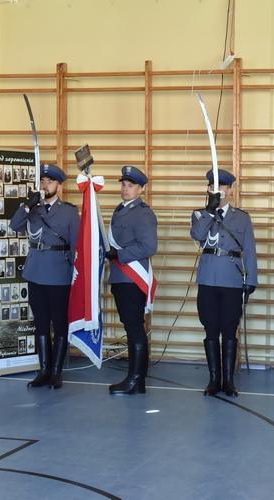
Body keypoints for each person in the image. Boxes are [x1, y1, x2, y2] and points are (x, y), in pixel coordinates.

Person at [10, 164, 79, 390]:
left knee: (59, 324)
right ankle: (43, 371)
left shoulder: (69, 212)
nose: (45, 185)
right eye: (43, 181)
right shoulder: (33, 209)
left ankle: (56, 373)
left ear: (59, 186)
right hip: (35, 272)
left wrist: (75, 274)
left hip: (59, 273)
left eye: (50, 181)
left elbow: (76, 245)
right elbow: (14, 225)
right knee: (40, 323)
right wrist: (26, 206)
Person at [190, 169, 258, 397]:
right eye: (212, 187)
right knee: (210, 328)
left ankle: (228, 381)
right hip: (208, 278)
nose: (216, 190)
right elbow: (198, 236)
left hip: (232, 278)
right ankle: (213, 380)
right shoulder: (200, 215)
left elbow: (249, 250)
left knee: (229, 329)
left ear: (230, 190)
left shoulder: (242, 218)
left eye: (221, 187)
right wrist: (210, 210)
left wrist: (252, 278)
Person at [107, 165, 158, 395]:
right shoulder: (120, 210)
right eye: (124, 185)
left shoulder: (143, 213)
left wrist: (119, 255)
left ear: (141, 189)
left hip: (132, 278)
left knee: (134, 327)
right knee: (131, 327)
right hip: (120, 276)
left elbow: (149, 246)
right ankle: (137, 381)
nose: (125, 189)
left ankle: (135, 379)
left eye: (130, 186)